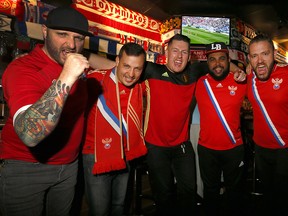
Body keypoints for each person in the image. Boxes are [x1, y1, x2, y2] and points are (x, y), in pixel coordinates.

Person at [87, 34, 245, 216]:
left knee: (189, 192)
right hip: (155, 147)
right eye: (175, 51)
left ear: (190, 56)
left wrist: (238, 71)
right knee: (164, 196)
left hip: (182, 145)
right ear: (166, 52)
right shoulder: (152, 70)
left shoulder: (194, 72)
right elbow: (118, 67)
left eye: (184, 52)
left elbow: (220, 61)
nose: (179, 56)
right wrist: (84, 57)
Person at [0, 6, 97, 216]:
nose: (71, 45)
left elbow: (96, 61)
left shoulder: (78, 64)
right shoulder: (23, 68)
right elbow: (30, 134)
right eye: (62, 34)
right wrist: (67, 76)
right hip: (26, 168)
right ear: (45, 32)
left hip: (69, 167)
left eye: (78, 38)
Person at [82, 43, 147, 216]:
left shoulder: (141, 86)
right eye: (126, 66)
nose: (131, 74)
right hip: (95, 155)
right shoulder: (95, 79)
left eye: (137, 69)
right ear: (117, 61)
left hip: (125, 155)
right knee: (100, 211)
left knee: (119, 207)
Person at [195, 42, 246, 216]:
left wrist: (239, 71)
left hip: (234, 149)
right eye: (212, 59)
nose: (217, 64)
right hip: (207, 149)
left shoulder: (241, 80)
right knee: (210, 193)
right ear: (206, 62)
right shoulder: (199, 82)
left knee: (235, 194)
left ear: (228, 60)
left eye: (222, 59)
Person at [246, 34, 288, 216]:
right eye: (255, 56)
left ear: (275, 54)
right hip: (261, 149)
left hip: (284, 149)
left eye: (265, 54)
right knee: (268, 196)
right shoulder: (249, 78)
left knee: (283, 197)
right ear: (249, 59)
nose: (260, 61)